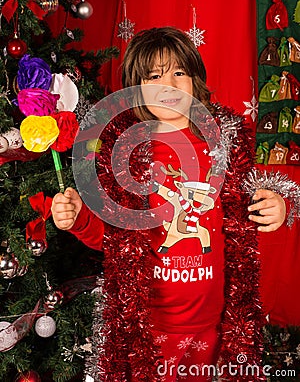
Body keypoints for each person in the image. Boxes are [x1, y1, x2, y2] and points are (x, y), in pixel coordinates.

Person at [51, 27, 295, 382]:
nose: (169, 84)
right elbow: (111, 237)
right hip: (151, 327)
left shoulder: (226, 145)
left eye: (179, 72)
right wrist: (78, 219)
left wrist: (280, 205)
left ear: (196, 80)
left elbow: (259, 198)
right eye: (154, 76)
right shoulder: (124, 157)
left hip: (216, 321)